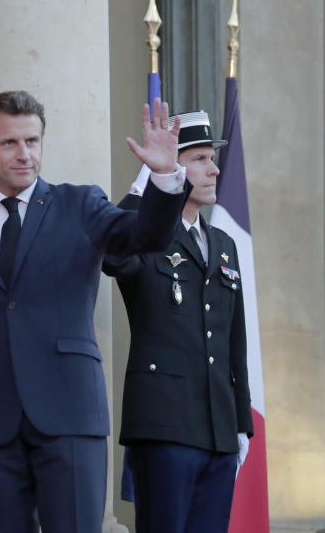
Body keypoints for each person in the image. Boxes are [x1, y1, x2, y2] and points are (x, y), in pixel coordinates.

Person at [0, 90, 189, 533]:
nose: (24, 154)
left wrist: (165, 177)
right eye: (9, 143)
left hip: (70, 415)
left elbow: (145, 237)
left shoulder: (81, 205)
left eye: (32, 141)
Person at [102, 110, 252, 533]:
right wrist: (148, 181)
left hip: (219, 429)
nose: (214, 168)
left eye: (212, 158)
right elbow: (113, 255)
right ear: (173, 167)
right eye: (201, 158)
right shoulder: (146, 236)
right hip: (166, 425)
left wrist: (240, 424)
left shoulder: (223, 245)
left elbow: (232, 340)